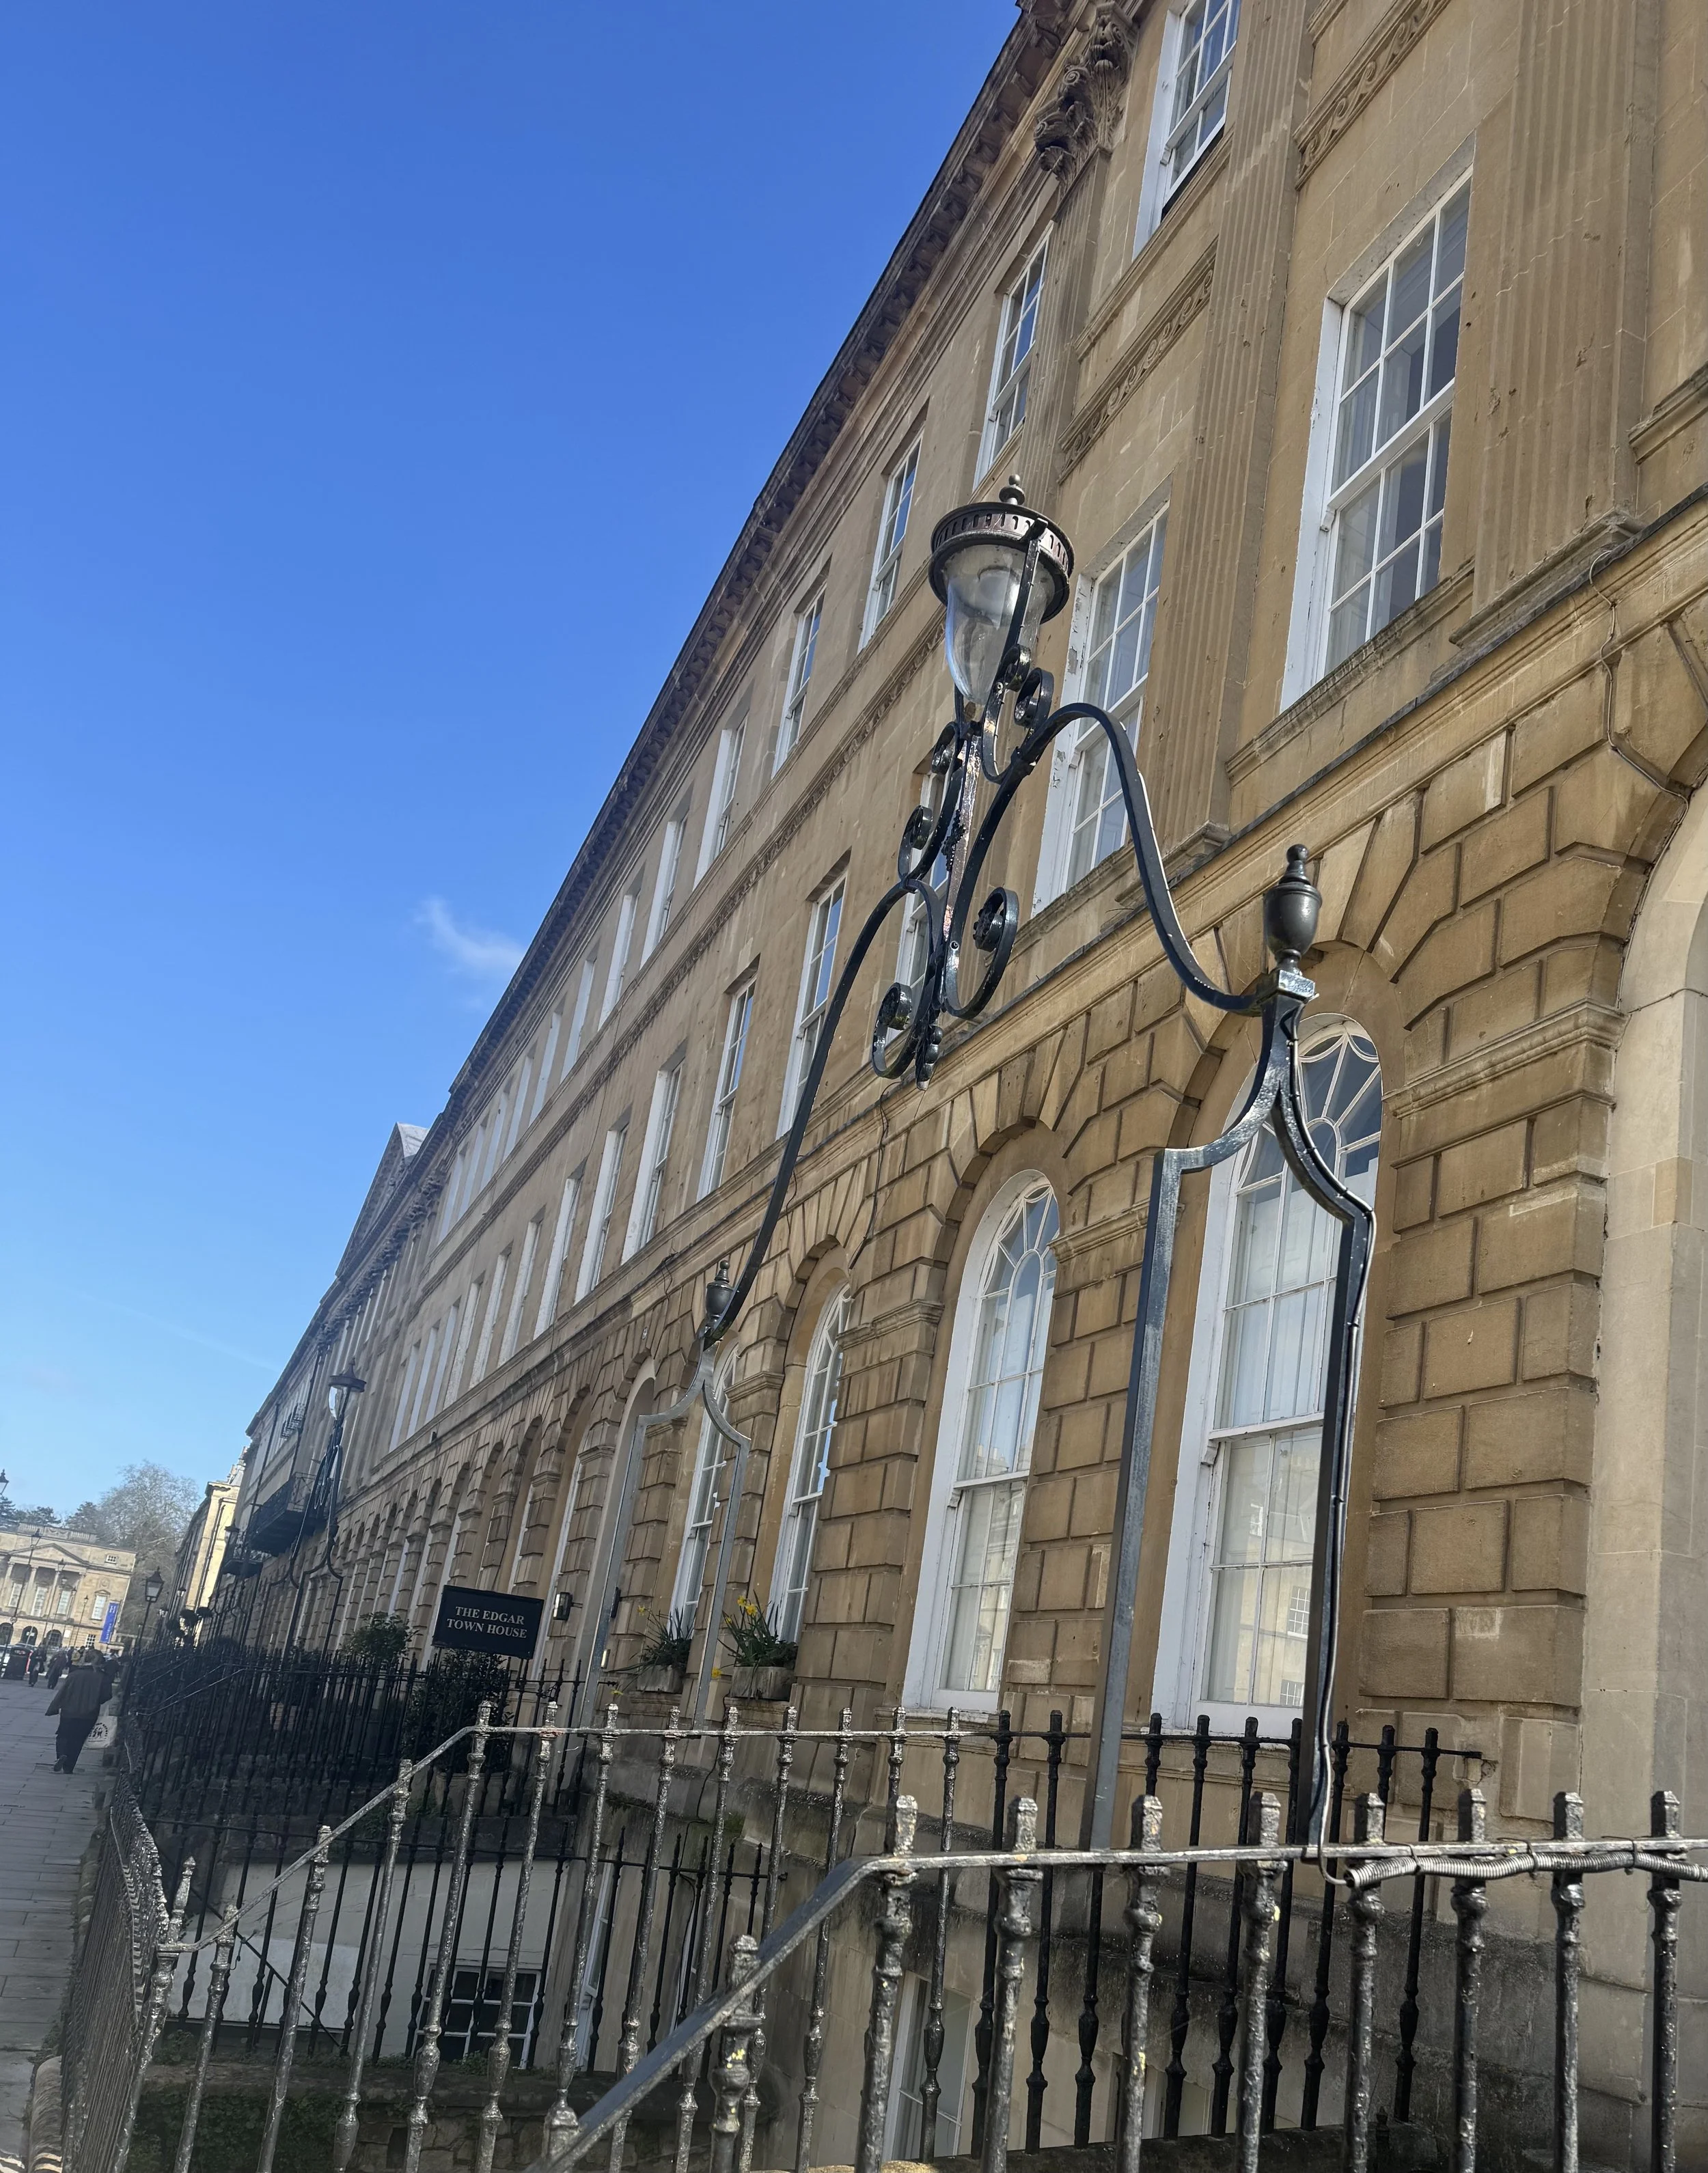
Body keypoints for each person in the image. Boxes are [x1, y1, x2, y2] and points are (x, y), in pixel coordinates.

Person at [45, 1652, 107, 1772]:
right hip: (90, 1714)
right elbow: (106, 1695)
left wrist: (54, 1707)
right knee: (78, 1740)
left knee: (63, 1735)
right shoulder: (101, 1677)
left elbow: (63, 1692)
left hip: (69, 1711)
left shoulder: (74, 1675)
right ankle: (69, 1767)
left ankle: (61, 1755)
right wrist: (95, 1700)